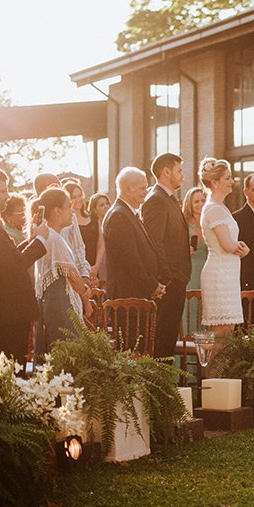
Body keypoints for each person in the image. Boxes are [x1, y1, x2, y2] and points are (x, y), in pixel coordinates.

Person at [0, 166, 49, 362]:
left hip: (9, 311)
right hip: (7, 313)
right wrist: (40, 242)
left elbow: (7, 258)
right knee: (14, 371)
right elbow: (16, 263)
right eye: (3, 191)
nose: (8, 196)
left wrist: (31, 238)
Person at [103, 167, 166, 352]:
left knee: (140, 350)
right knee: (131, 351)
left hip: (137, 297)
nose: (146, 192)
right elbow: (130, 260)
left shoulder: (128, 213)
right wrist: (152, 286)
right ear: (128, 188)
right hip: (128, 301)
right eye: (142, 188)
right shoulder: (119, 215)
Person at [142, 153, 192, 360]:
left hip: (176, 282)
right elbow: (154, 242)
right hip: (168, 285)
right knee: (162, 342)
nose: (183, 175)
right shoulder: (156, 200)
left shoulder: (169, 199)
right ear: (166, 172)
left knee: (168, 341)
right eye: (179, 171)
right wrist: (168, 278)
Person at [31, 188, 94, 348]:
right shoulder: (52, 237)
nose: (73, 210)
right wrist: (85, 295)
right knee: (67, 356)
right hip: (60, 307)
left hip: (56, 305)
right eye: (68, 207)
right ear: (57, 211)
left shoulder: (48, 235)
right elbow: (72, 274)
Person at [197, 158, 249, 339]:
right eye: (227, 178)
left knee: (228, 330)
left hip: (228, 273)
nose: (232, 182)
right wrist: (243, 248)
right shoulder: (213, 209)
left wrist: (239, 247)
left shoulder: (221, 208)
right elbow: (227, 244)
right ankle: (213, 368)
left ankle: (221, 368)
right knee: (221, 333)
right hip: (219, 275)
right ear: (214, 182)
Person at [34, 173, 91, 283]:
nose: (61, 189)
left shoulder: (69, 214)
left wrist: (84, 274)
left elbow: (77, 246)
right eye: (56, 186)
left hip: (72, 279)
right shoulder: (36, 219)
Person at [64, 182, 104, 286]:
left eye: (80, 196)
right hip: (78, 272)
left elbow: (100, 244)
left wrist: (95, 268)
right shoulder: (66, 222)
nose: (78, 200)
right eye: (73, 197)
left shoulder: (93, 217)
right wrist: (84, 272)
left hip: (94, 269)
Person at [182, 187, 208, 336]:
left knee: (205, 313)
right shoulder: (184, 226)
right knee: (190, 311)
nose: (200, 204)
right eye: (196, 201)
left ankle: (204, 356)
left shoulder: (208, 224)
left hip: (207, 275)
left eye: (203, 200)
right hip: (190, 274)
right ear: (189, 204)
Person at [88, 193, 110, 282]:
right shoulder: (92, 227)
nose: (106, 206)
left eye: (107, 203)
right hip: (97, 262)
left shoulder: (112, 222)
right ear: (94, 209)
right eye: (101, 205)